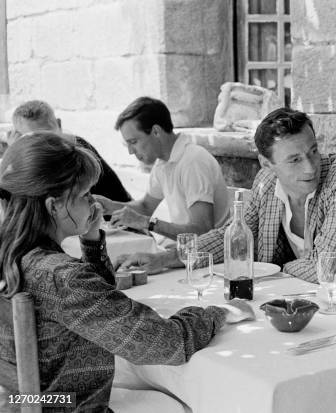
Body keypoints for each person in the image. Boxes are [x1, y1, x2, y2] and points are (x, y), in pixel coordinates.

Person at [0, 133, 254, 411]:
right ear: (54, 206)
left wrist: (93, 239)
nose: (93, 203)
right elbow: (168, 343)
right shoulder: (62, 278)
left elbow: (98, 301)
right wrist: (219, 312)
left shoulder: (19, 257)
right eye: (85, 195)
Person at [118, 108, 336, 283]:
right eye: (294, 159)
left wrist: (274, 267)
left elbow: (324, 270)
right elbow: (232, 236)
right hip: (300, 300)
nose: (310, 166)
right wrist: (165, 259)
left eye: (313, 151)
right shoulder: (266, 182)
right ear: (267, 163)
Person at [95, 97, 230, 241]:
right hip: (184, 249)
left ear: (156, 132)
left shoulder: (193, 161)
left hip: (207, 254)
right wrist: (110, 206)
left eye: (133, 142)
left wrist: (146, 223)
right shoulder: (163, 163)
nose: (130, 151)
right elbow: (146, 206)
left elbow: (202, 232)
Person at [9, 100, 132, 202]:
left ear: (59, 125)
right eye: (35, 139)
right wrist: (15, 154)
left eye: (50, 136)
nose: (45, 145)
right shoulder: (28, 158)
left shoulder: (76, 150)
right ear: (19, 139)